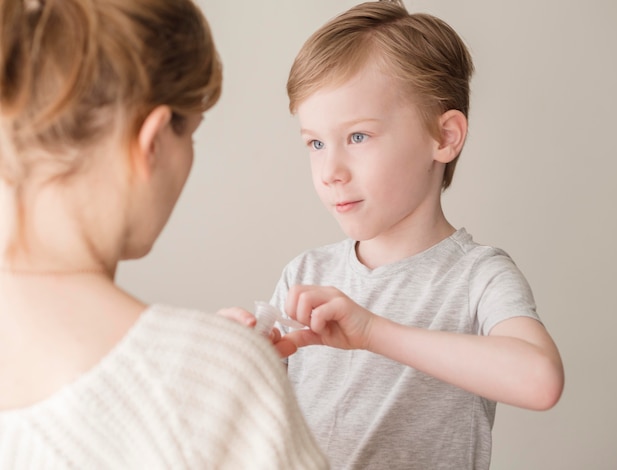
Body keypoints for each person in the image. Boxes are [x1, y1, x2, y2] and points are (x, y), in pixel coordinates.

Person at [0, 0, 327, 468]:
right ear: (152, 141)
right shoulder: (215, 381)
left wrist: (194, 361)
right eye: (190, 133)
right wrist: (209, 371)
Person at [268, 1, 565, 468]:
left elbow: (540, 380)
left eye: (358, 137)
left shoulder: (477, 277)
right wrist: (236, 358)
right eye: (316, 143)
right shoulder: (305, 275)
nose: (330, 171)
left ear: (444, 137)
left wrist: (373, 332)